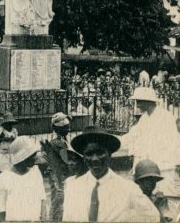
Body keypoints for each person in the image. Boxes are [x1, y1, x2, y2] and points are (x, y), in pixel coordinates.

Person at [62, 125, 160, 222]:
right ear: (84, 158)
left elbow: (153, 217)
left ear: (109, 155)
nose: (95, 159)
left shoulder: (128, 189)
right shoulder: (73, 187)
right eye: (89, 154)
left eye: (100, 153)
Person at [120, 86, 180, 214]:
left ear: (148, 101)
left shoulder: (166, 117)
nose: (138, 105)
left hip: (163, 167)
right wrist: (112, 143)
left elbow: (174, 142)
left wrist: (176, 163)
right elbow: (132, 136)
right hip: (146, 169)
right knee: (146, 200)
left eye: (139, 101)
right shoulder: (144, 118)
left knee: (167, 198)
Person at [0, 136, 46, 221]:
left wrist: (43, 219)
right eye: (32, 156)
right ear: (24, 158)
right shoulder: (2, 179)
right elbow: (0, 208)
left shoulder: (35, 173)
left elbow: (42, 198)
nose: (36, 158)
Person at [42, 112, 72, 221]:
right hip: (59, 176)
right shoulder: (57, 143)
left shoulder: (60, 140)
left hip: (59, 174)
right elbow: (66, 159)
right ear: (57, 128)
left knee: (58, 200)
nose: (68, 129)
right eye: (65, 127)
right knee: (58, 201)